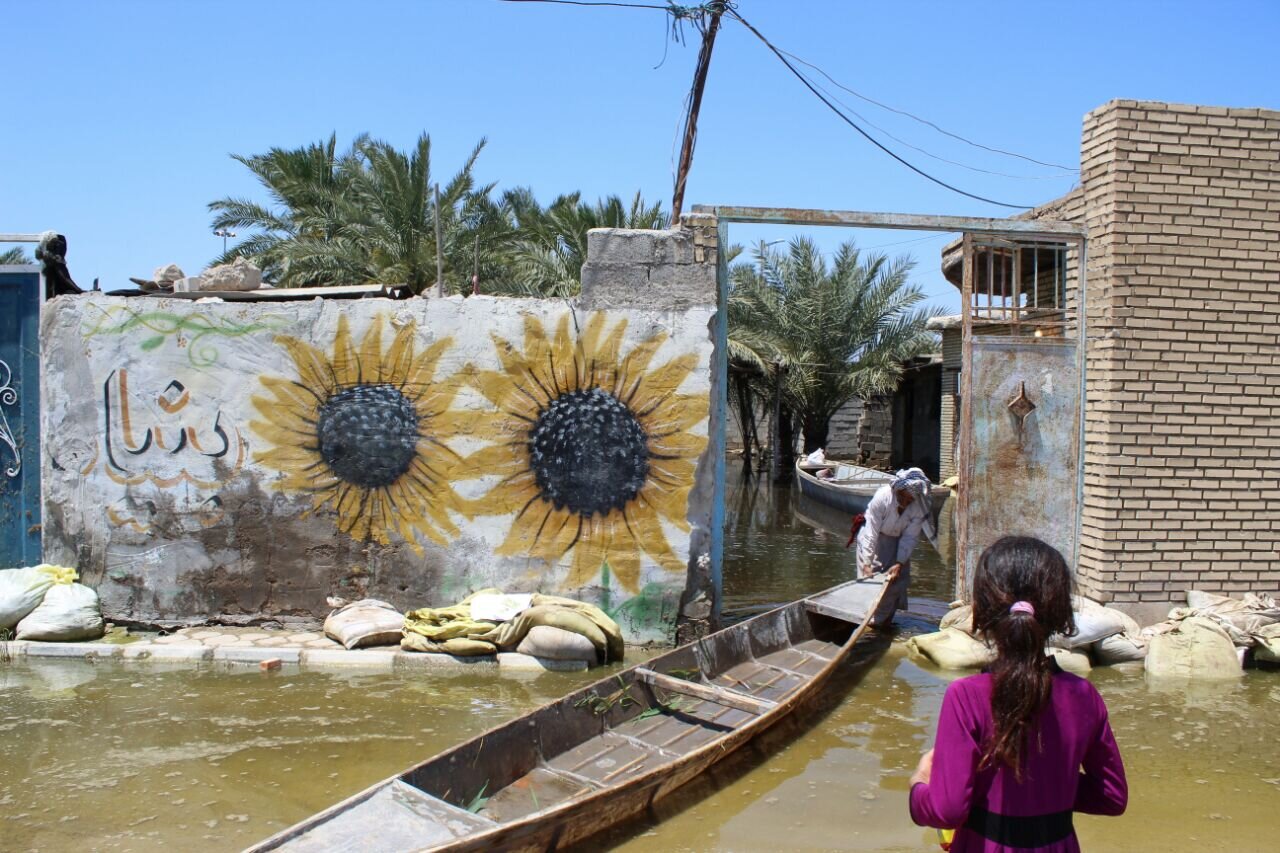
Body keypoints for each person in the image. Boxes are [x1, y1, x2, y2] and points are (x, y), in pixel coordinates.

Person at [908, 536, 1128, 852]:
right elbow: (1111, 796)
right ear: (1060, 614)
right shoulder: (1084, 696)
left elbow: (947, 809)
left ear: (982, 614)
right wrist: (1054, 784)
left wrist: (919, 785)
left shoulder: (966, 696)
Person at [853, 467, 935, 625]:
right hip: (875, 540)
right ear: (899, 489)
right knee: (869, 583)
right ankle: (866, 621)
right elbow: (871, 531)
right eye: (905, 498)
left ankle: (882, 623)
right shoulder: (883, 497)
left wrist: (899, 562)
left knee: (895, 583)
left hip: (897, 541)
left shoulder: (918, 505)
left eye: (910, 500)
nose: (906, 502)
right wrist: (867, 562)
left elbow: (910, 537)